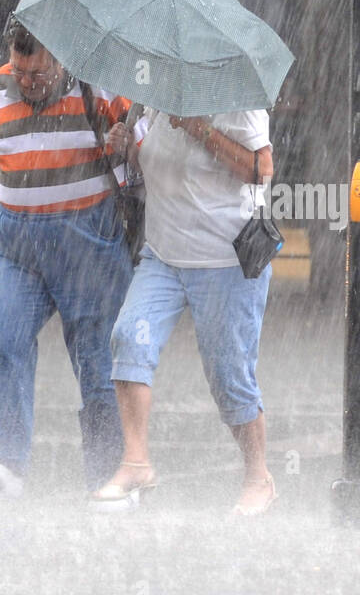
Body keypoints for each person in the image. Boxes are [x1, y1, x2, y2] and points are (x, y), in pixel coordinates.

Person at [0, 19, 147, 498]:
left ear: (62, 62)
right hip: (17, 249)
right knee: (3, 346)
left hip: (89, 247)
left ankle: (112, 478)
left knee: (99, 365)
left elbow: (145, 153)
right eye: (21, 72)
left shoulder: (100, 87)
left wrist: (129, 146)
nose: (28, 83)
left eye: (38, 74)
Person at [90, 107, 276, 516]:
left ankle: (258, 477)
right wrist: (127, 149)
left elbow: (261, 170)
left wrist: (199, 128)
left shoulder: (238, 100)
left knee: (229, 377)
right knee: (128, 338)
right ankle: (137, 463)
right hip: (164, 256)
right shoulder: (156, 101)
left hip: (225, 261)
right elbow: (153, 166)